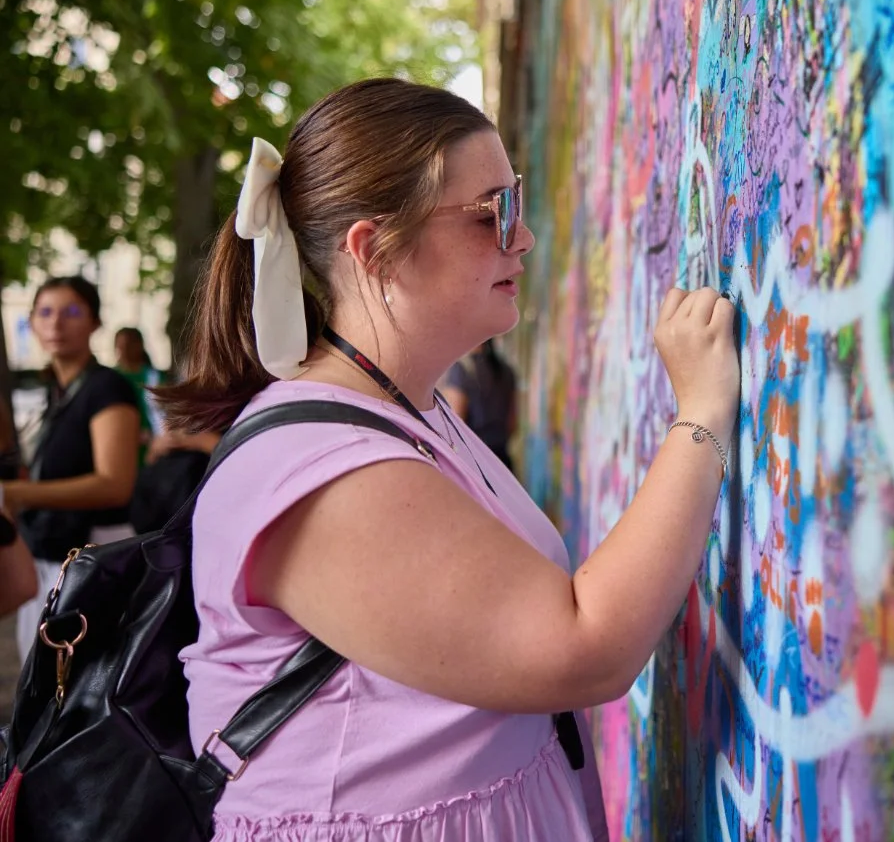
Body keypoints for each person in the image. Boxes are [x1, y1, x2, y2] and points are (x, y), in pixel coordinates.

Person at [155, 78, 739, 840]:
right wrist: (700, 410)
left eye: (515, 202)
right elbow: (585, 648)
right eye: (492, 213)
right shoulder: (316, 469)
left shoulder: (405, 405)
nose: (522, 237)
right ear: (374, 249)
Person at [1, 276, 140, 659]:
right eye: (45, 312)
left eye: (72, 312)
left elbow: (114, 484)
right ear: (31, 322)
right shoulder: (55, 392)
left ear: (95, 322)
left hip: (90, 562)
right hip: (47, 559)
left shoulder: (107, 387)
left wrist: (14, 493)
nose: (56, 323)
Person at [439, 338, 519, 469]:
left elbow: (455, 423)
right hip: (502, 462)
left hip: (474, 464)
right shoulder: (507, 371)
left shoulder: (460, 370)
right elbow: (512, 424)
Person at [113, 325, 167, 448]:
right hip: (119, 441)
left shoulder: (154, 377)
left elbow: (164, 413)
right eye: (120, 346)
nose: (124, 350)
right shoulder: (110, 377)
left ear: (140, 346)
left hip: (153, 444)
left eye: (129, 345)